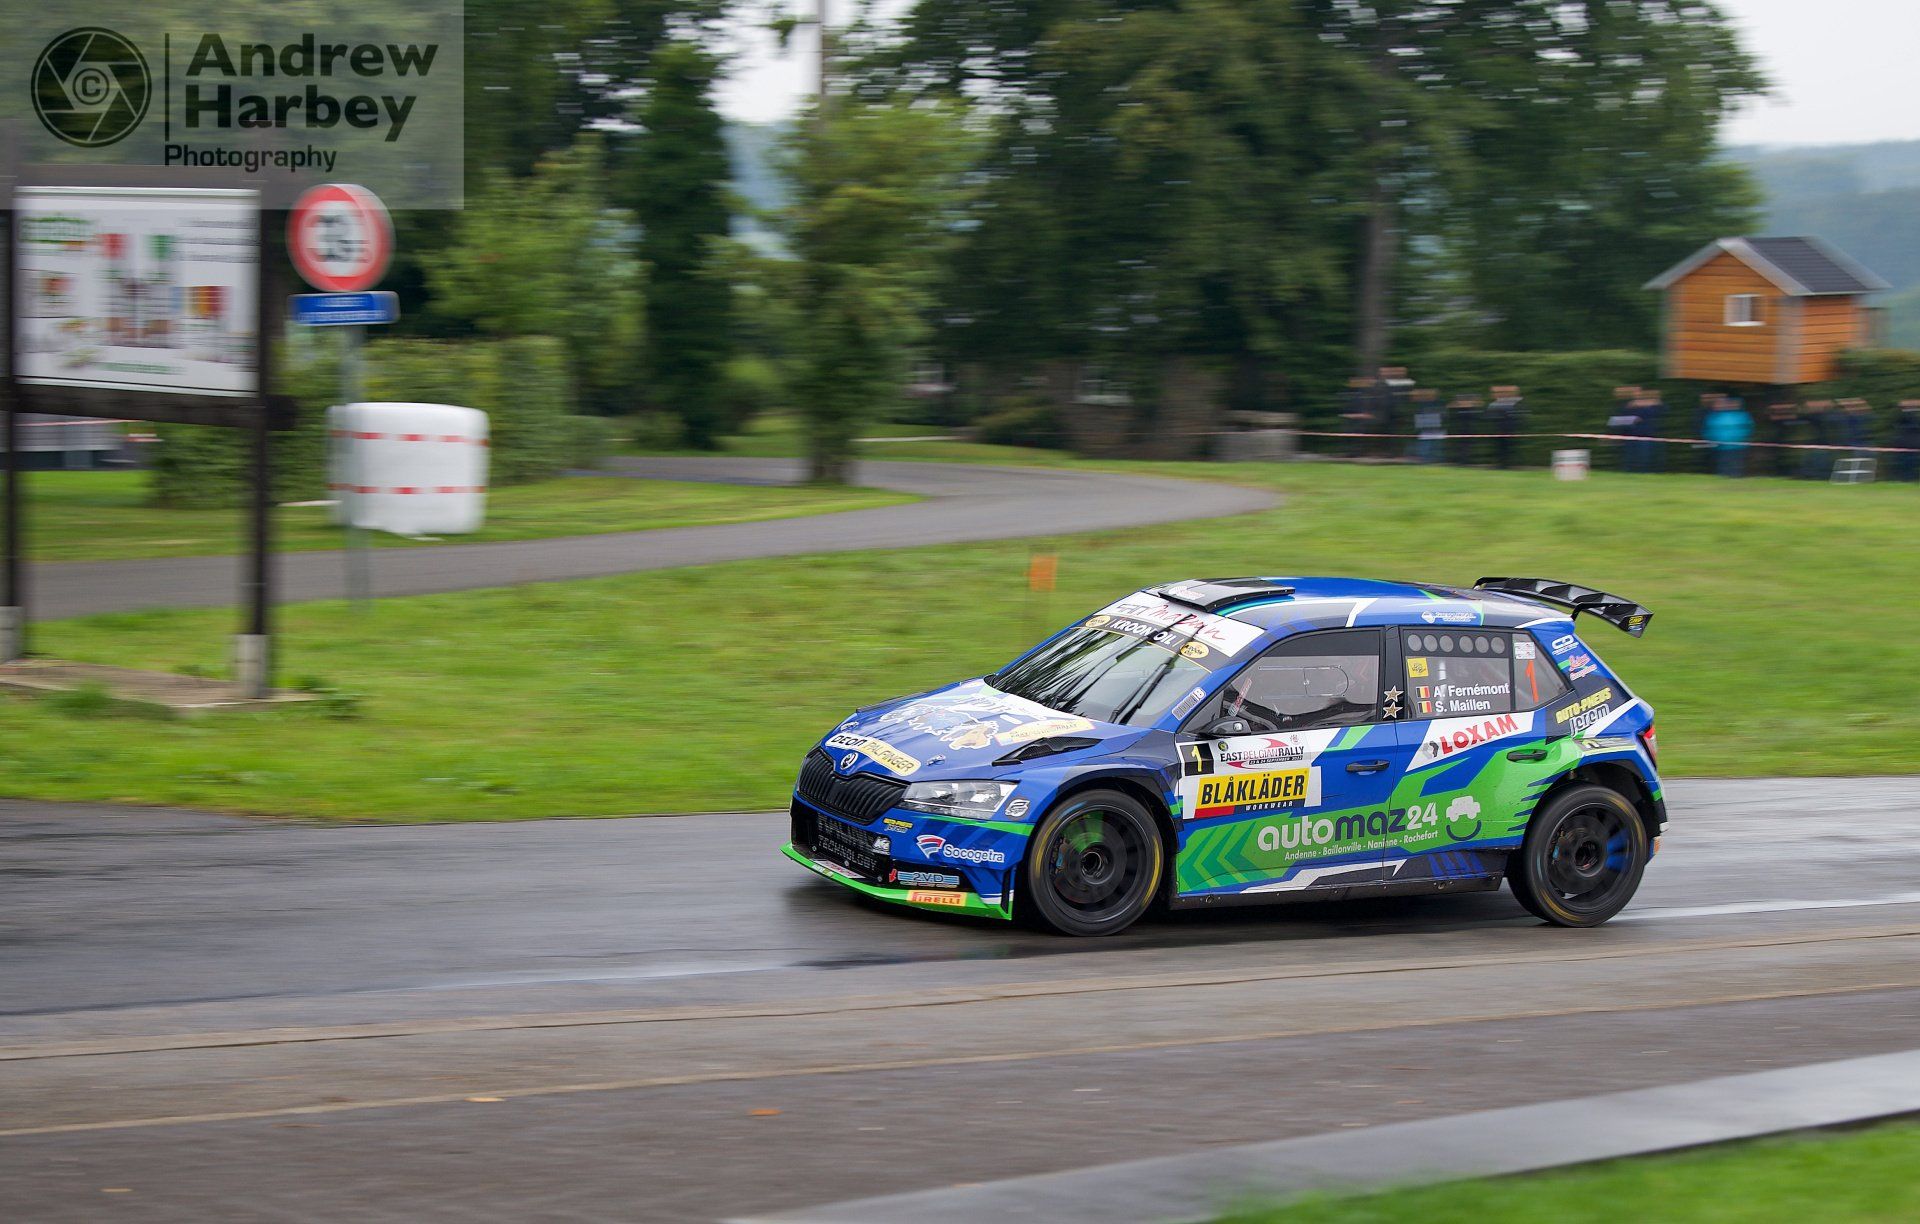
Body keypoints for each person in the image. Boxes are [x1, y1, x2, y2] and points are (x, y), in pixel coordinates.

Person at [1705, 394, 1753, 478]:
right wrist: (1713, 441)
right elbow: (1709, 430)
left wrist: (1742, 439)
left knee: (1737, 467)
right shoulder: (1715, 416)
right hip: (1721, 447)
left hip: (1738, 447)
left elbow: (1748, 428)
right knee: (1723, 467)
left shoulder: (1742, 415)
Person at [1485, 385, 1524, 469]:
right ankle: (1502, 464)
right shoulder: (1496, 404)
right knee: (1501, 449)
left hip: (1506, 430)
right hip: (1500, 430)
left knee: (1504, 448)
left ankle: (1504, 465)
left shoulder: (1510, 403)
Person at [1607, 386, 1643, 472]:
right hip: (1627, 436)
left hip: (1640, 435)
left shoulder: (1642, 406)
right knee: (1628, 458)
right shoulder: (1623, 405)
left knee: (1639, 458)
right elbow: (1614, 420)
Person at [1409, 387, 1444, 464]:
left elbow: (1441, 416)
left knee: (1435, 448)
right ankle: (1425, 461)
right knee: (1425, 449)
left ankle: (1434, 461)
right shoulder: (1423, 405)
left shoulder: (1437, 404)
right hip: (1426, 430)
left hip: (1435, 430)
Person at [1448, 394, 1482, 465]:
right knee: (1463, 446)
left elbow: (1477, 416)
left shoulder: (1470, 410)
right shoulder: (1460, 410)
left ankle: (1464, 460)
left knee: (1466, 446)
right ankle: (1463, 460)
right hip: (1461, 431)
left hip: (1468, 430)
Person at [1895, 400, 1920, 483]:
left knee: (1906, 465)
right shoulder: (1911, 417)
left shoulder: (1907, 417)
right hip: (1910, 444)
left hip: (1908, 444)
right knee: (1907, 465)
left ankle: (1907, 479)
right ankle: (1907, 479)